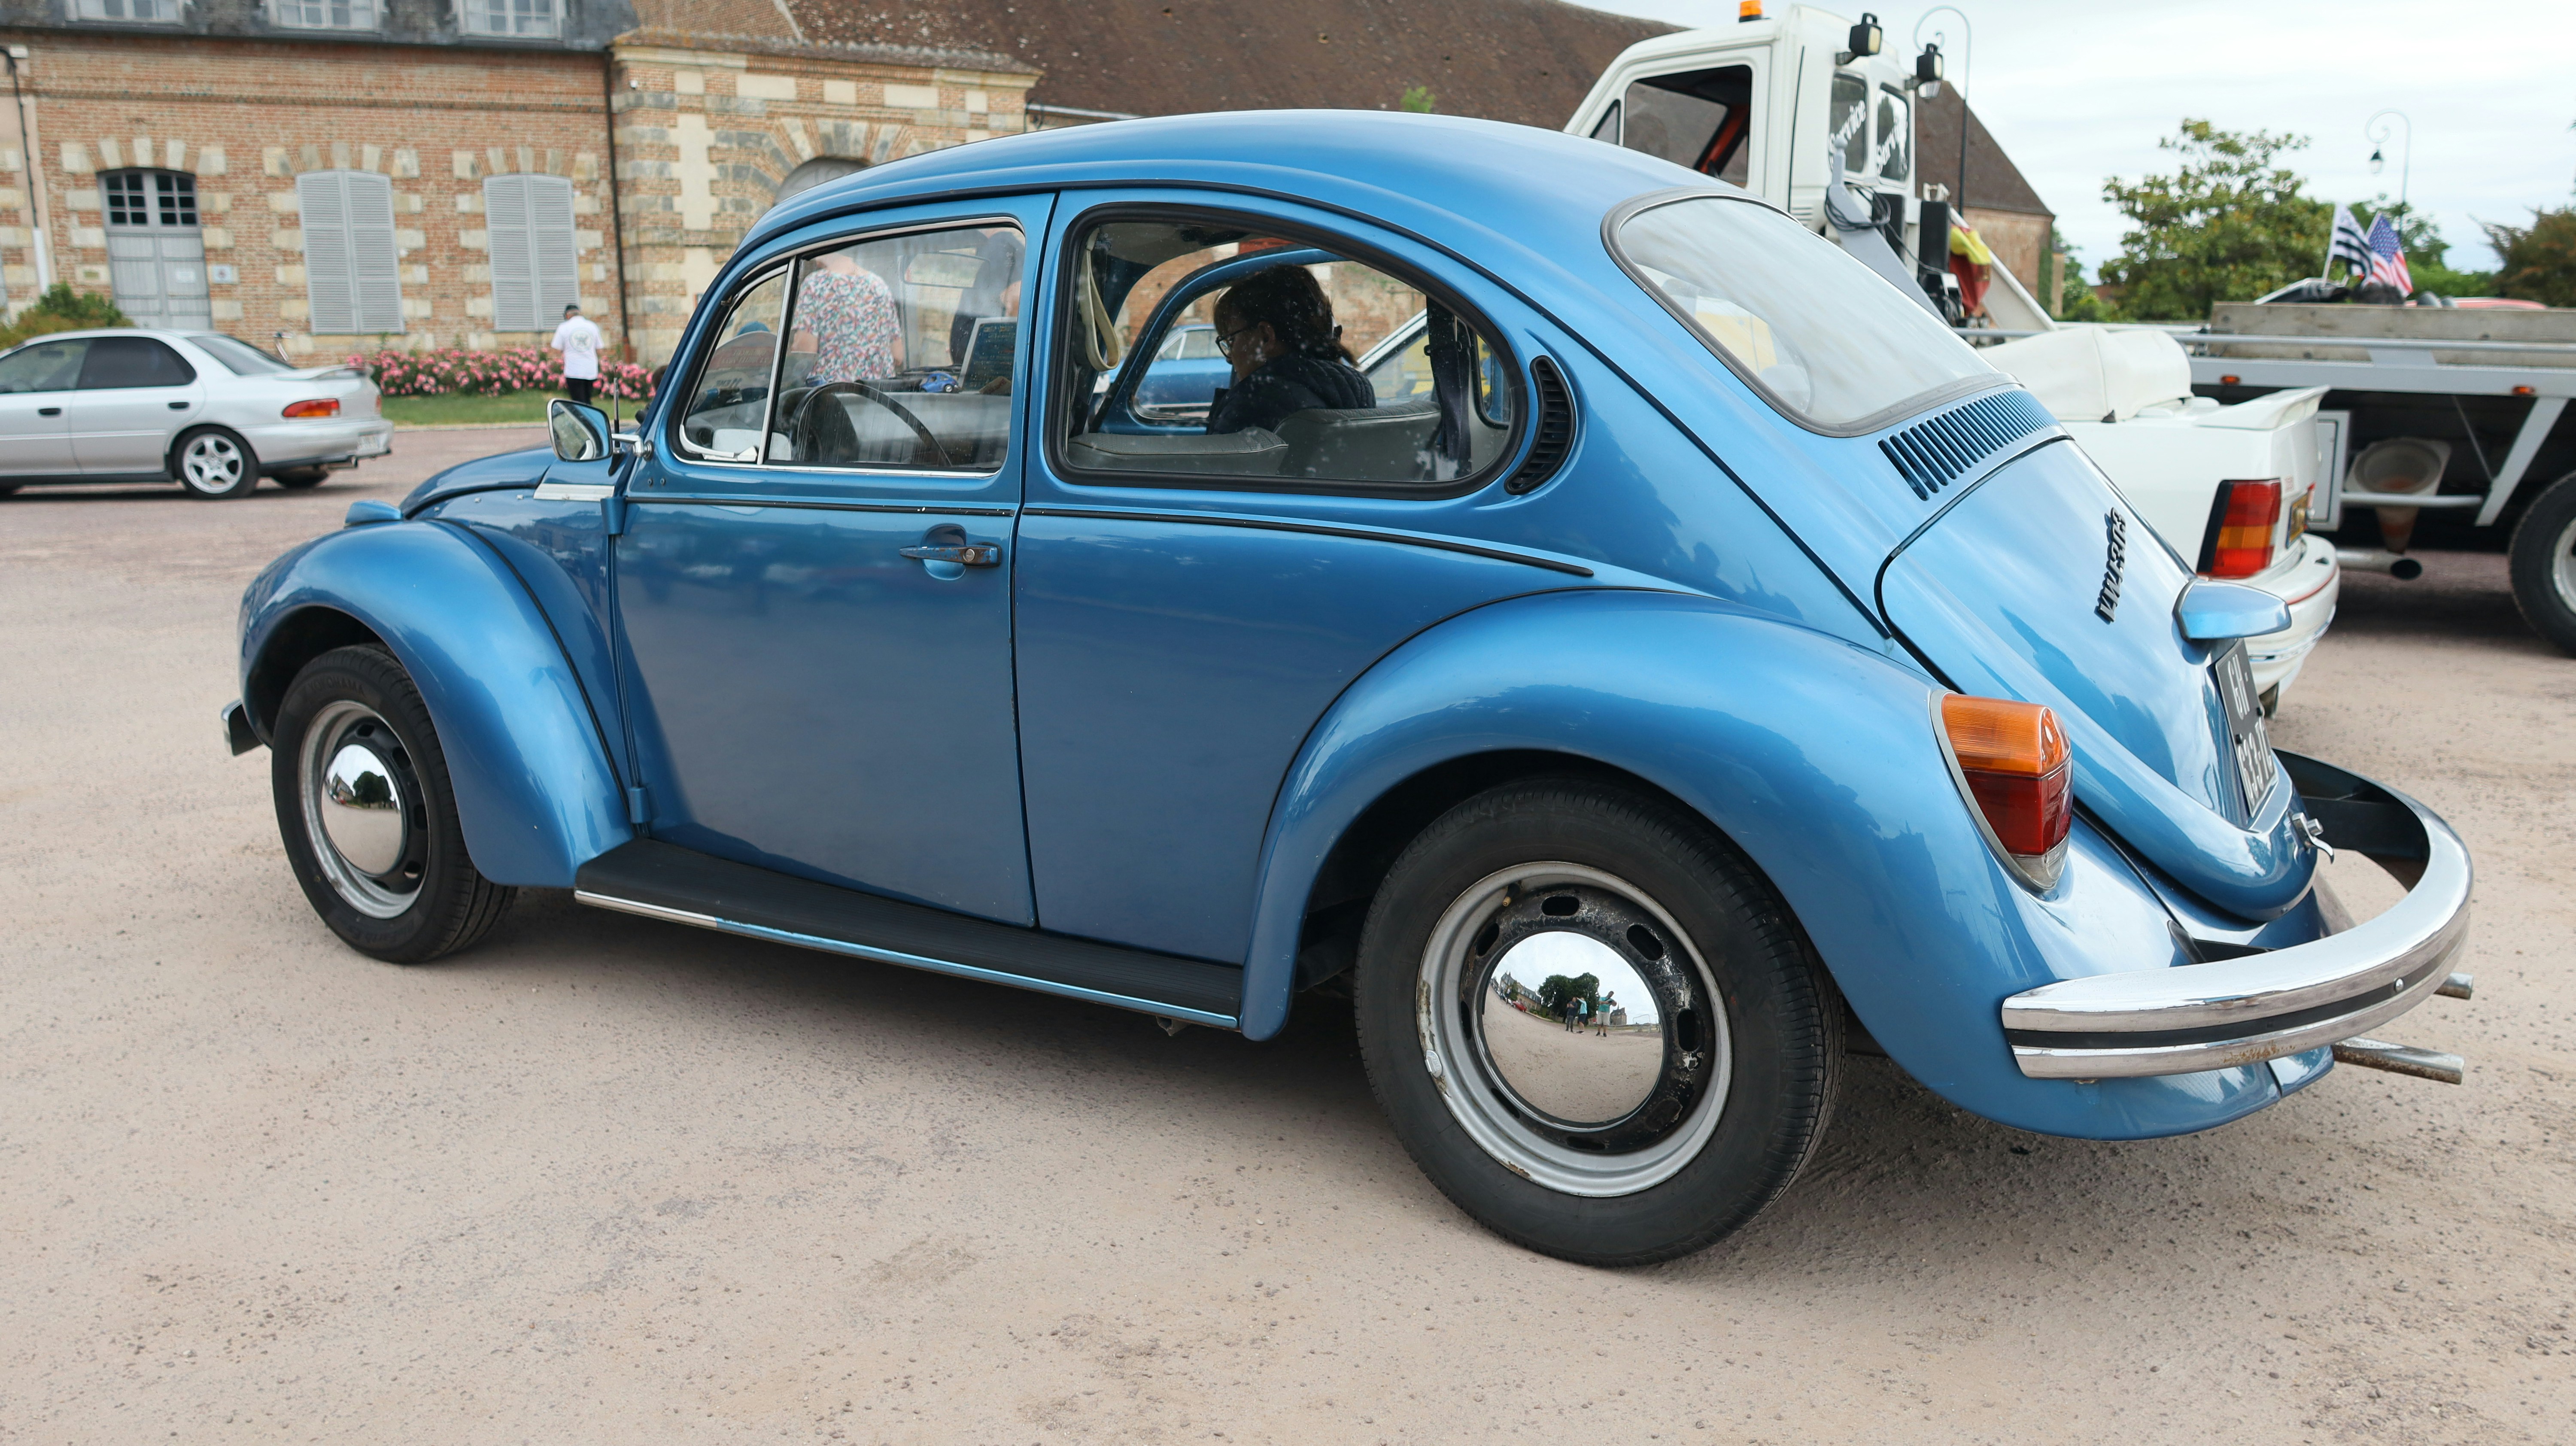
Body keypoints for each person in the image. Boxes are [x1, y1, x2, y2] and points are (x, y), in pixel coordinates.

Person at [1204, 263, 1373, 435]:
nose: (1230, 358)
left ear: (1266, 337)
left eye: (1231, 340)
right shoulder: (1357, 391)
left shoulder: (1252, 403)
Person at [790, 252, 903, 386]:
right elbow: (898, 355)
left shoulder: (815, 284)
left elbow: (806, 350)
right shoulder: (879, 285)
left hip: (831, 393)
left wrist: (794, 346)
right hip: (878, 394)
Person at [550, 302, 602, 404]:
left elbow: (557, 349)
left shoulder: (564, 327)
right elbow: (599, 349)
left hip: (573, 370)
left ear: (567, 315)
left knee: (578, 401)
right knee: (587, 399)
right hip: (590, 370)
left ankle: (582, 414)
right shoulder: (592, 326)